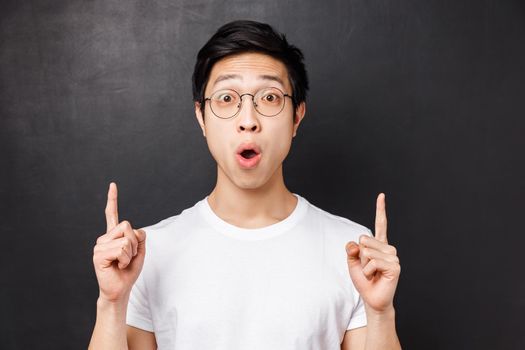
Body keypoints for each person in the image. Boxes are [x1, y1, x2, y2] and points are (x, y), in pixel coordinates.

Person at [89, 20, 401, 350]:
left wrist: (381, 313)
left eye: (269, 97)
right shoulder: (147, 254)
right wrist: (111, 303)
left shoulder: (352, 251)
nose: (248, 120)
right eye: (226, 98)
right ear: (201, 118)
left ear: (296, 117)